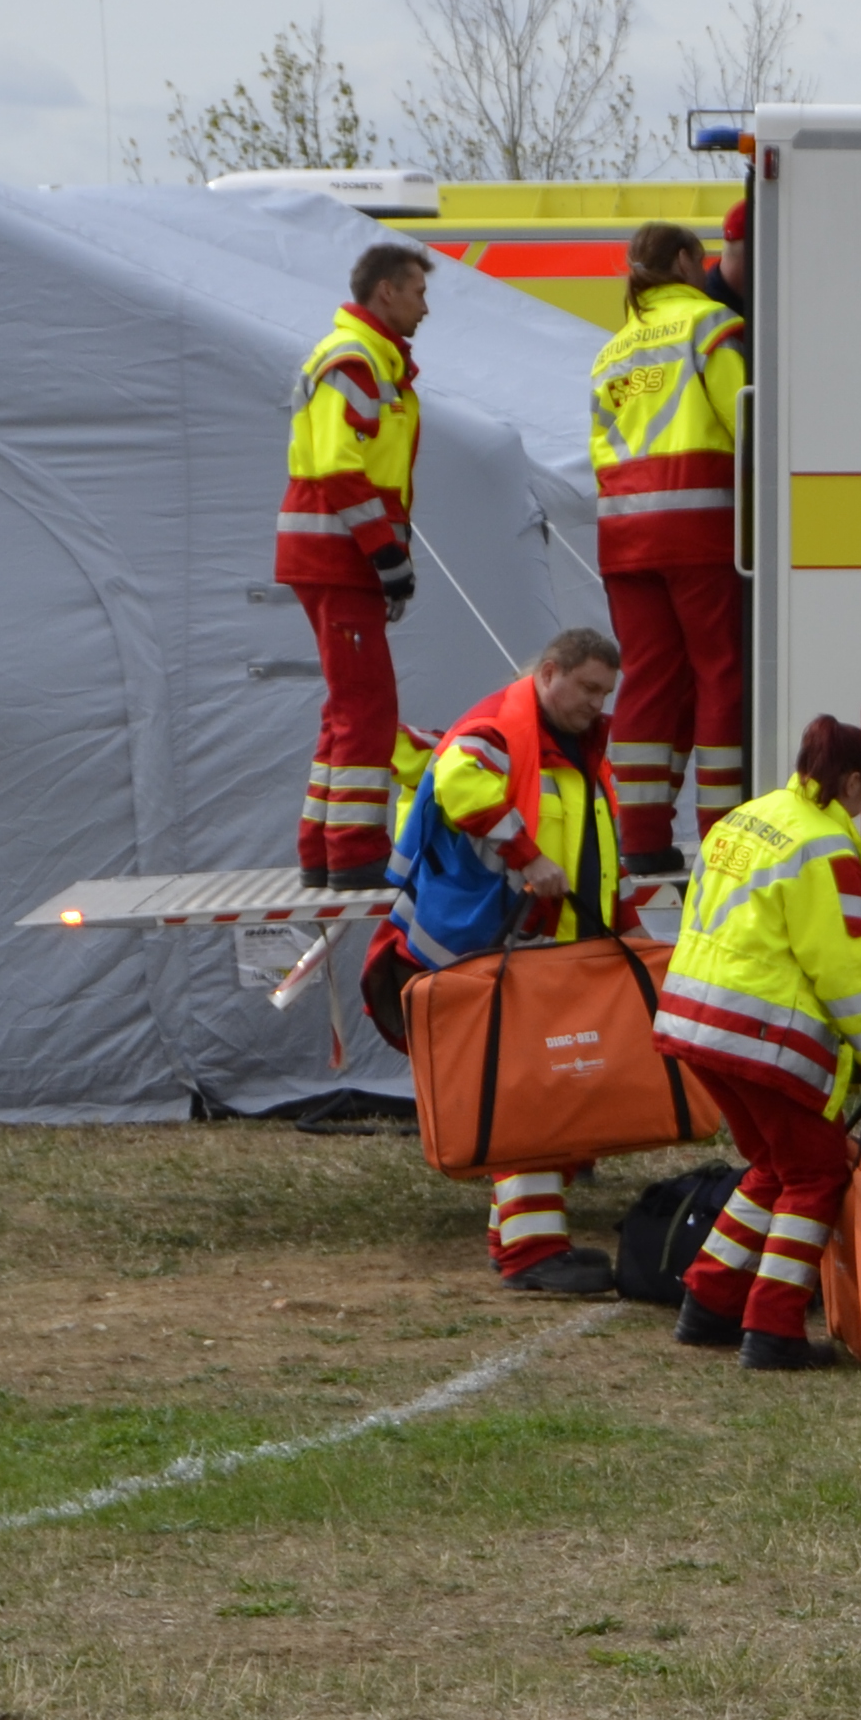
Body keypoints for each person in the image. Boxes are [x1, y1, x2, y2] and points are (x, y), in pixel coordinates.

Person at [357, 628, 633, 1292]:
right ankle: (532, 1255)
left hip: (539, 948)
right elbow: (459, 783)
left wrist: (621, 931)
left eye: (605, 692)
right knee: (526, 1100)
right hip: (494, 947)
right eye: (588, 687)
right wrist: (528, 857)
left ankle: (514, 1237)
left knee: (534, 1092)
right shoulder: (498, 731)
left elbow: (594, 855)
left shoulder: (573, 748)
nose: (597, 703)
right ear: (549, 672)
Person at [655, 715, 861, 1369]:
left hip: (693, 1024)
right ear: (851, 780)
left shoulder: (746, 819)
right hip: (759, 1037)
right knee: (816, 1171)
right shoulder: (826, 846)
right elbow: (844, 966)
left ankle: (708, 1302)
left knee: (775, 1165)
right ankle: (772, 1330)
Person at [588, 223, 752, 879]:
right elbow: (747, 417)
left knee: (649, 679)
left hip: (624, 535)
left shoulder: (612, 351)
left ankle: (642, 834)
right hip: (698, 525)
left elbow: (603, 447)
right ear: (685, 261)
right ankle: (723, 833)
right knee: (719, 672)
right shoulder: (709, 326)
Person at [278, 242, 432, 887]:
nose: (426, 308)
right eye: (419, 292)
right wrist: (386, 555)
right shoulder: (357, 360)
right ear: (387, 291)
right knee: (367, 704)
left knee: (347, 704)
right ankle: (354, 850)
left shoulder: (372, 362)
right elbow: (341, 468)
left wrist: (384, 558)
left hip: (340, 557)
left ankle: (323, 847)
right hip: (338, 554)